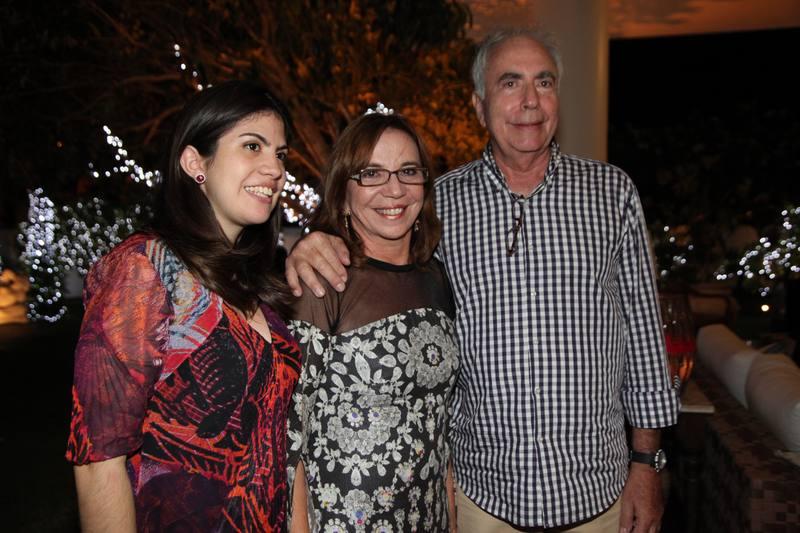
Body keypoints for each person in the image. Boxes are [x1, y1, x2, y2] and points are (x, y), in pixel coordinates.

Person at [285, 29, 680, 532]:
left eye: (544, 82)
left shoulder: (612, 193)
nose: (530, 100)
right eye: (510, 83)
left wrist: (647, 464)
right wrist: (311, 242)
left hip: (598, 497)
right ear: (479, 106)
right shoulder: (441, 204)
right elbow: (373, 247)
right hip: (480, 503)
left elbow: (644, 337)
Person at [66, 80, 302, 532]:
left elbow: (284, 448)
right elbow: (99, 458)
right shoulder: (145, 270)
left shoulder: (255, 286)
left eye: (281, 153)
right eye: (252, 146)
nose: (274, 168)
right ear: (195, 162)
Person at [286, 112, 459, 532]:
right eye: (372, 173)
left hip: (428, 519)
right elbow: (289, 433)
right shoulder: (322, 281)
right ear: (344, 194)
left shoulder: (435, 278)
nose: (394, 189)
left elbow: (440, 423)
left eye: (408, 171)